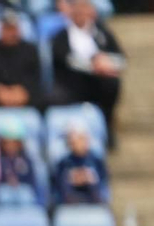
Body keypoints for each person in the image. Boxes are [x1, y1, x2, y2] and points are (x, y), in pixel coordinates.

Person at [50, 0, 123, 142]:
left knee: (112, 83)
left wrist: (108, 63)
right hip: (71, 84)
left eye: (85, 10)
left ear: (93, 12)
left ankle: (107, 126)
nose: (82, 14)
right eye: (78, 10)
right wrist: (93, 66)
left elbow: (121, 59)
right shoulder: (61, 36)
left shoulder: (102, 33)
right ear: (71, 13)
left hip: (100, 85)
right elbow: (65, 58)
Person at [0, 10, 42, 112]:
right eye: (7, 29)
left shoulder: (30, 51)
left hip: (24, 95)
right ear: (0, 29)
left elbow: (35, 76)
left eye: (13, 28)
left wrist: (23, 91)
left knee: (42, 99)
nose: (11, 33)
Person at [53, 122, 109, 205]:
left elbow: (102, 189)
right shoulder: (63, 163)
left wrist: (89, 178)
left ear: (85, 139)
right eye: (70, 140)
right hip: (69, 207)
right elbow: (57, 190)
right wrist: (70, 179)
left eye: (76, 139)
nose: (71, 142)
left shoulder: (97, 161)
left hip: (94, 206)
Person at [0, 121, 41, 207]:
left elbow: (32, 182)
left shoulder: (27, 160)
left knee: (25, 195)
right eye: (7, 143)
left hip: (24, 195)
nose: (10, 146)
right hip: (4, 194)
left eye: (14, 143)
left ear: (20, 143)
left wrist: (18, 183)